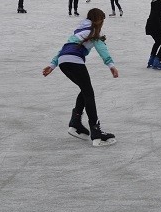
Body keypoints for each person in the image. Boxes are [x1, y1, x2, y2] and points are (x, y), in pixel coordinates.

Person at [42, 8, 119, 147]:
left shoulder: (78, 30)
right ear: (98, 20)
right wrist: (111, 65)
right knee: (89, 93)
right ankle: (96, 131)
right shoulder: (95, 31)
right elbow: (102, 48)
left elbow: (64, 47)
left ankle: (76, 122)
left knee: (85, 90)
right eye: (102, 21)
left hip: (63, 62)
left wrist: (53, 65)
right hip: (75, 61)